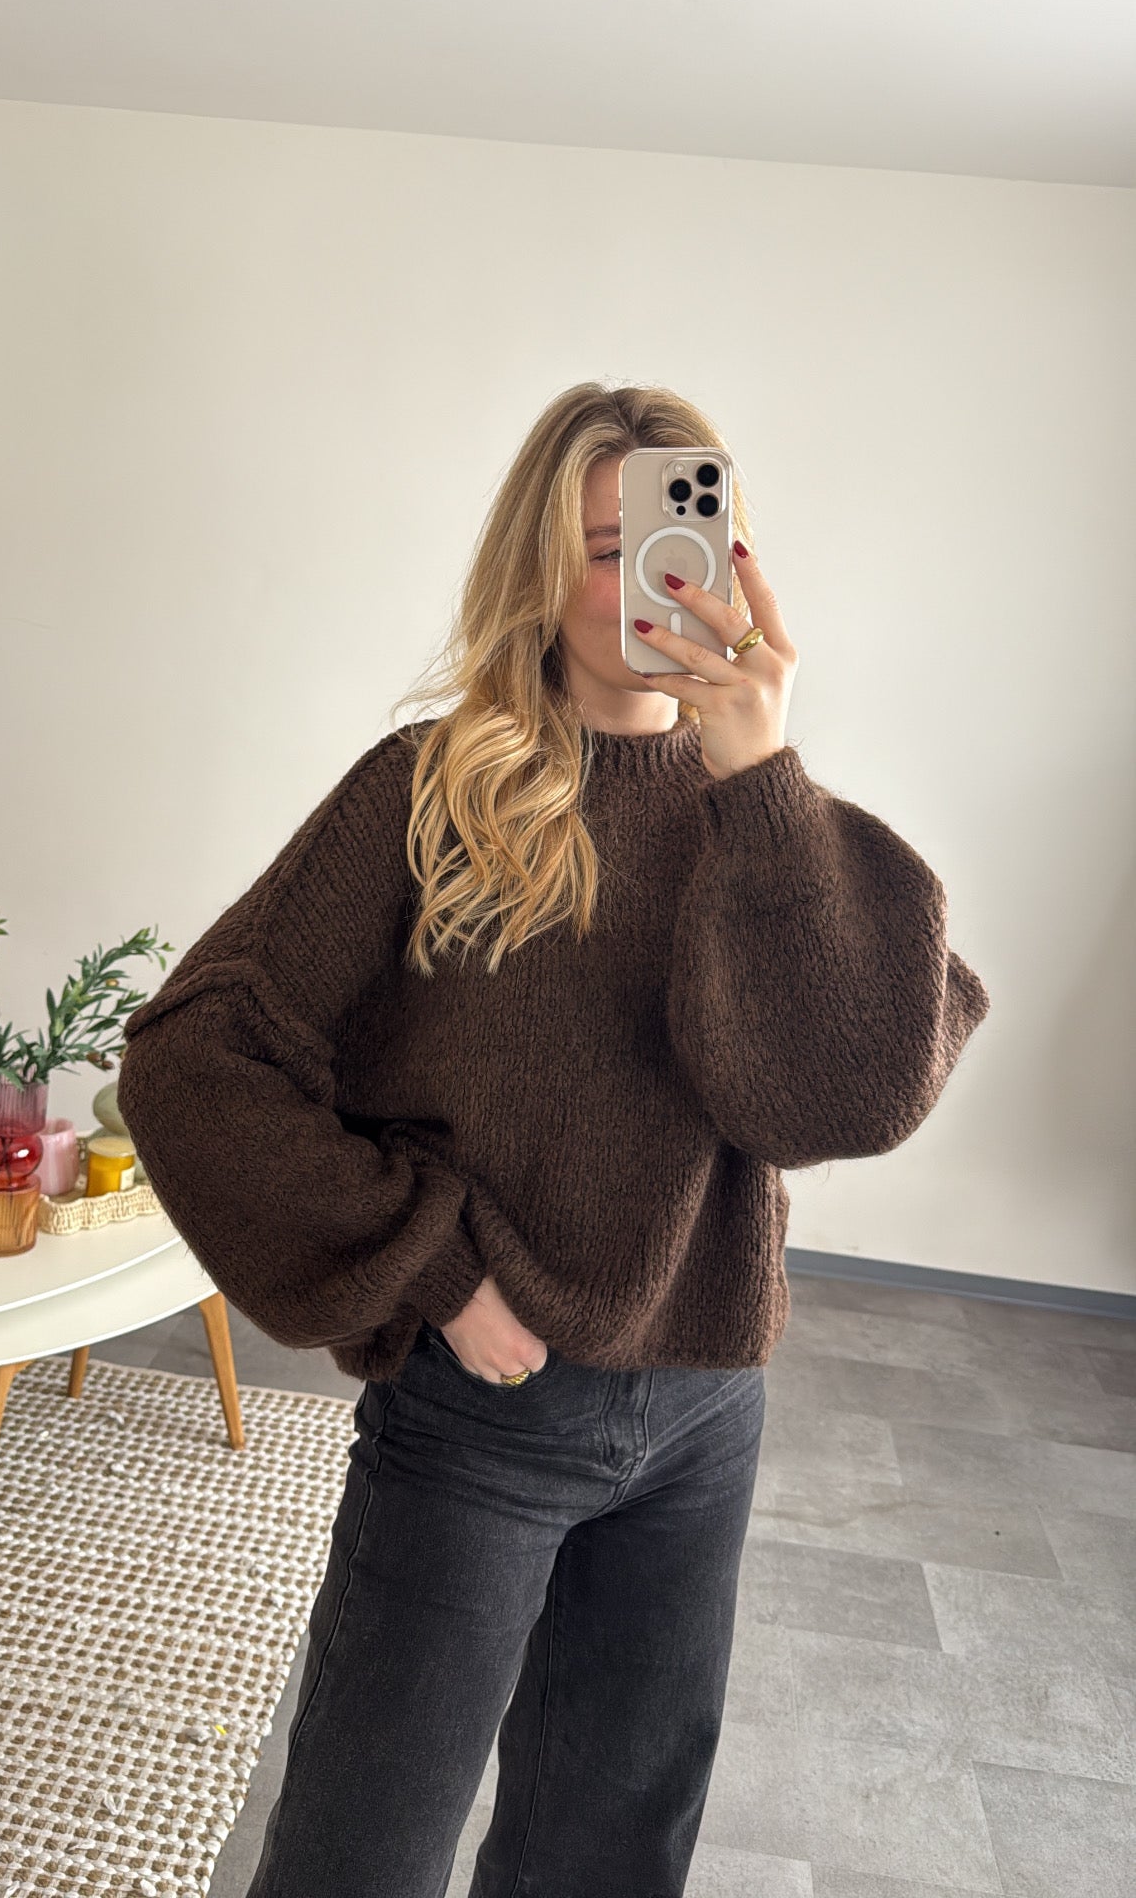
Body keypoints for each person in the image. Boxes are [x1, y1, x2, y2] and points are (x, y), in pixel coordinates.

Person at [116, 380, 990, 1898]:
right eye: (604, 549)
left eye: (680, 541)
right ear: (536, 573)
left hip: (704, 1409)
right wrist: (435, 1271)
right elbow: (194, 1058)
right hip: (481, 1418)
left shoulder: (770, 825)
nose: (650, 582)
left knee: (610, 1851)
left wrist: (761, 780)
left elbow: (841, 1099)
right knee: (362, 1851)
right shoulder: (430, 792)